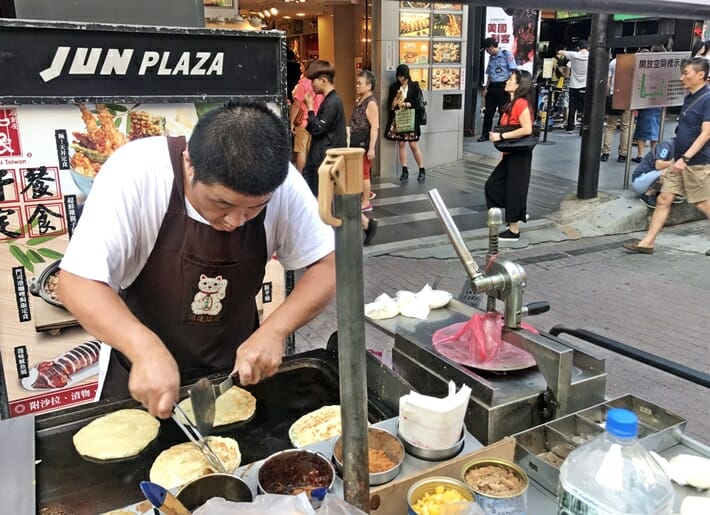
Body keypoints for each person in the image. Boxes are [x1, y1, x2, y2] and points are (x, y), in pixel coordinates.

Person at [56, 102, 337, 419]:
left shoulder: (282, 184)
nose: (236, 221)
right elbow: (75, 282)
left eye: (254, 209)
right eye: (221, 203)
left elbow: (326, 266)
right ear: (189, 164)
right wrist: (142, 346)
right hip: (141, 376)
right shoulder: (137, 172)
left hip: (234, 374)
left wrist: (275, 330)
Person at [624, 57, 710, 255]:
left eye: (686, 73)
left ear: (700, 75)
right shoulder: (690, 96)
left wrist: (685, 158)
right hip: (679, 161)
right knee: (664, 199)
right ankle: (647, 242)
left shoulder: (708, 98)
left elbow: (706, 133)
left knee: (702, 203)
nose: (681, 78)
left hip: (696, 162)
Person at [485, 69, 535, 241]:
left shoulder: (520, 103)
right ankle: (517, 212)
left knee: (514, 189)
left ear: (519, 85)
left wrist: (501, 136)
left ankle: (514, 229)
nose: (507, 81)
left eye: (511, 79)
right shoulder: (511, 103)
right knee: (493, 186)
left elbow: (527, 129)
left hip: (519, 154)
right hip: (511, 154)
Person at [303, 60, 347, 196]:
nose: (311, 85)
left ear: (323, 81)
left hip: (325, 158)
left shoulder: (332, 102)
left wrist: (310, 108)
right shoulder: (331, 100)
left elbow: (317, 129)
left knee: (322, 197)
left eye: (313, 81)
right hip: (324, 156)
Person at [349, 69, 380, 245]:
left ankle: (366, 200)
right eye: (357, 82)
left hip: (363, 143)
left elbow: (374, 127)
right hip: (355, 142)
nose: (357, 85)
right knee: (360, 173)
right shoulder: (361, 100)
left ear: (369, 85)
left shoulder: (371, 103)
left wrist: (371, 148)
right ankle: (364, 197)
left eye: (360, 83)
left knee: (364, 173)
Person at [384, 64, 426, 182]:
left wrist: (408, 104)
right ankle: (404, 170)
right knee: (401, 144)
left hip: (411, 118)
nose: (400, 79)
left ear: (407, 75)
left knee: (413, 145)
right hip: (399, 118)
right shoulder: (394, 87)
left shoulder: (414, 86)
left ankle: (422, 169)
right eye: (399, 76)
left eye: (403, 76)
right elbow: (390, 106)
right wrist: (395, 102)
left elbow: (418, 103)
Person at [478, 37, 517, 142]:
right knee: (488, 112)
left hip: (503, 87)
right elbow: (490, 75)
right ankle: (485, 134)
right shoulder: (492, 58)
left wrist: (511, 87)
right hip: (492, 87)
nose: (487, 52)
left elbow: (513, 72)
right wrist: (486, 89)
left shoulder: (506, 55)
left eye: (487, 50)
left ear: (491, 47)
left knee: (503, 111)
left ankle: (500, 133)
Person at [290, 60, 322, 173]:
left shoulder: (304, 83)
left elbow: (297, 104)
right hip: (315, 120)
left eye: (302, 66)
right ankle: (310, 174)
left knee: (301, 150)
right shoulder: (319, 83)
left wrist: (291, 122)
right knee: (311, 150)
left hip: (303, 121)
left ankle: (301, 176)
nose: (300, 67)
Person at [601, 53, 631, 163]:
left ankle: (605, 152)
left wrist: (608, 95)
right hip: (628, 97)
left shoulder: (613, 62)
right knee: (625, 127)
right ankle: (623, 154)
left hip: (615, 96)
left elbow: (608, 81)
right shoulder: (633, 62)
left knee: (610, 126)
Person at [631, 137, 675, 208]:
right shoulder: (667, 144)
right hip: (640, 180)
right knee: (673, 168)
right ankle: (648, 194)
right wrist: (676, 162)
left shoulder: (684, 147)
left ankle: (663, 192)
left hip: (651, 177)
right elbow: (658, 165)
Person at [557, 40, 589, 134]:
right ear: (588, 48)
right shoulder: (591, 56)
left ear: (578, 47)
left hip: (574, 85)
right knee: (585, 108)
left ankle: (570, 127)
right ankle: (583, 129)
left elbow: (560, 52)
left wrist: (574, 53)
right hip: (585, 85)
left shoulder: (574, 55)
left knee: (572, 106)